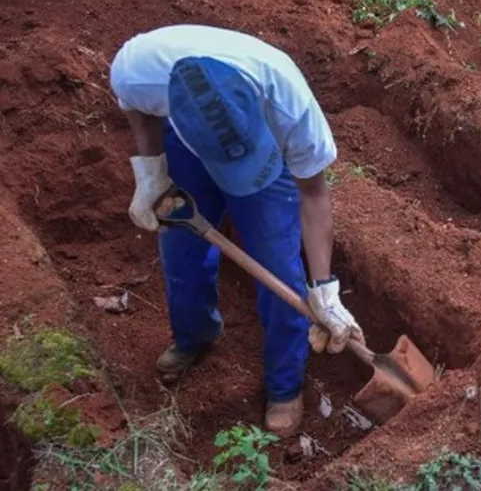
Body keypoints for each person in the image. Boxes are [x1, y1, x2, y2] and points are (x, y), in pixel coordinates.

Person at [108, 23, 365, 437]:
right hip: (189, 149)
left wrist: (325, 289)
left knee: (280, 269)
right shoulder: (138, 69)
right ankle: (195, 336)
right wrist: (151, 171)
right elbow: (136, 109)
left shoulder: (291, 108)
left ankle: (284, 385)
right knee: (181, 252)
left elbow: (314, 196)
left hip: (265, 171)